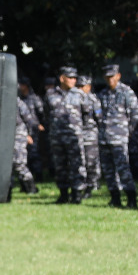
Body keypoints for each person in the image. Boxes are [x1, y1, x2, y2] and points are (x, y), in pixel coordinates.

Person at [95, 63, 138, 208]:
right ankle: (115, 198)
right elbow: (98, 114)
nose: (110, 79)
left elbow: (136, 113)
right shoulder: (102, 94)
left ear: (118, 76)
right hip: (104, 138)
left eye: (112, 76)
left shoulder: (126, 92)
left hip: (119, 138)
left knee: (123, 170)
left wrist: (128, 131)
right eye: (107, 77)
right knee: (108, 171)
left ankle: (131, 199)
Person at [48, 67, 88, 204]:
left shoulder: (80, 94)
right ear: (62, 78)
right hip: (57, 137)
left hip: (74, 137)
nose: (73, 80)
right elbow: (45, 114)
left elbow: (88, 115)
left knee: (77, 165)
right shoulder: (51, 94)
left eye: (74, 78)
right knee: (60, 166)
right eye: (70, 77)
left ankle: (77, 194)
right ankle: (63, 194)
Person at [77, 73, 101, 200]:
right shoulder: (74, 99)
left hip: (90, 134)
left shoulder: (93, 100)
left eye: (83, 86)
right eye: (79, 86)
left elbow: (99, 118)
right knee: (80, 162)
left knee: (91, 161)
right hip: (78, 134)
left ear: (89, 87)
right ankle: (82, 185)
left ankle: (92, 185)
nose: (81, 89)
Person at [13, 76, 39, 194]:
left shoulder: (18, 102)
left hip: (19, 134)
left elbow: (30, 121)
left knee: (19, 163)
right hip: (6, 136)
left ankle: (31, 188)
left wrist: (29, 135)